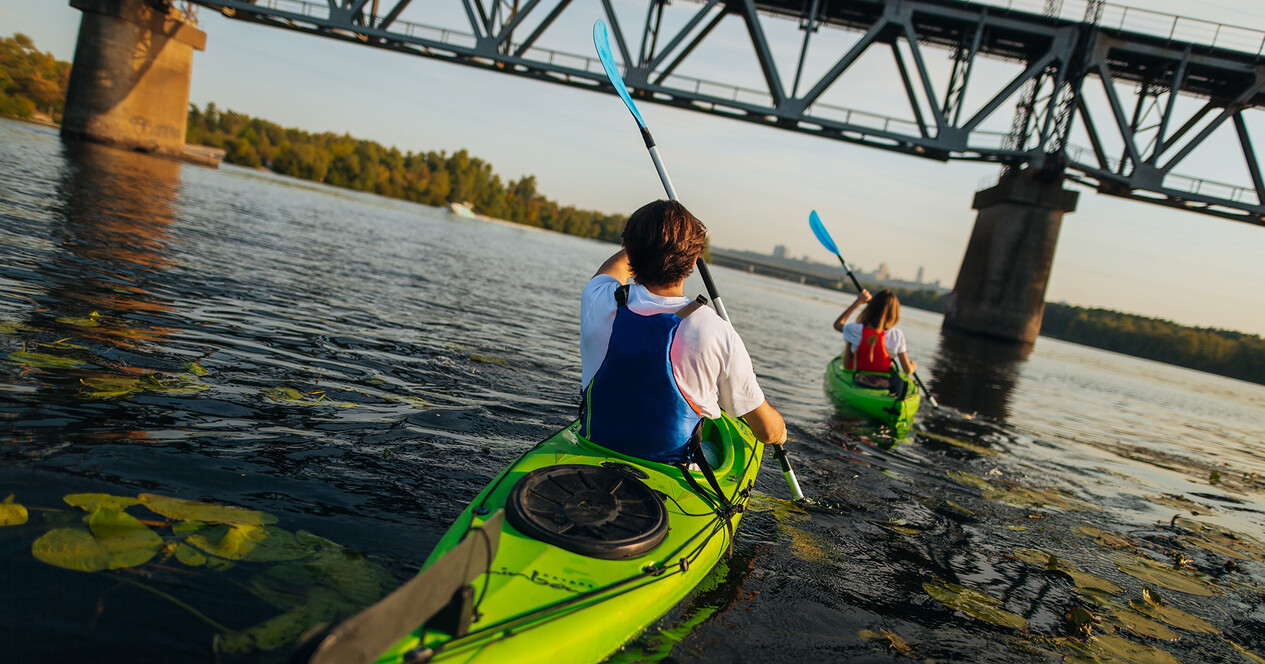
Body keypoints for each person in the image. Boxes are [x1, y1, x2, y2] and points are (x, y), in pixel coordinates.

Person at [579, 200, 787, 464]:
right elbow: (766, 431)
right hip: (672, 467)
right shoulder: (716, 331)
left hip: (595, 446)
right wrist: (780, 431)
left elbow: (615, 269)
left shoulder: (599, 298)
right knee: (713, 446)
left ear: (630, 249)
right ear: (692, 261)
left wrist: (646, 238)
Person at [832, 288, 917, 388]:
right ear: (894, 314)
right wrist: (913, 366)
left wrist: (858, 302)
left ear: (871, 309)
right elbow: (907, 370)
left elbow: (838, 324)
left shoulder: (855, 330)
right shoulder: (896, 334)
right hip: (884, 380)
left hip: (856, 375)